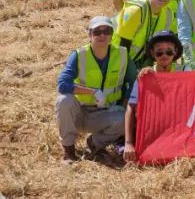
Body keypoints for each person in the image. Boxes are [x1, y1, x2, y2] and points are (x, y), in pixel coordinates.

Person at [56, 17, 137, 164]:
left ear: (112, 35)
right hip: (80, 112)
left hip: (106, 112)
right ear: (90, 35)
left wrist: (125, 103)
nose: (102, 35)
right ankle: (68, 151)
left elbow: (134, 82)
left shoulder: (122, 54)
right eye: (97, 32)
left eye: (107, 31)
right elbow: (62, 84)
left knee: (125, 119)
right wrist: (92, 92)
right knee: (64, 100)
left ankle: (95, 143)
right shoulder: (79, 55)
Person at [122, 31, 187, 162]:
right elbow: (131, 107)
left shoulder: (185, 72)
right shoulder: (144, 77)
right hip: (153, 131)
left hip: (179, 129)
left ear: (175, 53)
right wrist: (128, 143)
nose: (164, 55)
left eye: (169, 52)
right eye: (159, 52)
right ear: (152, 53)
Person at [114, 0, 178, 67]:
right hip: (117, 58)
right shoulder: (136, 10)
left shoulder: (167, 14)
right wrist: (126, 70)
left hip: (139, 58)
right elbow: (123, 45)